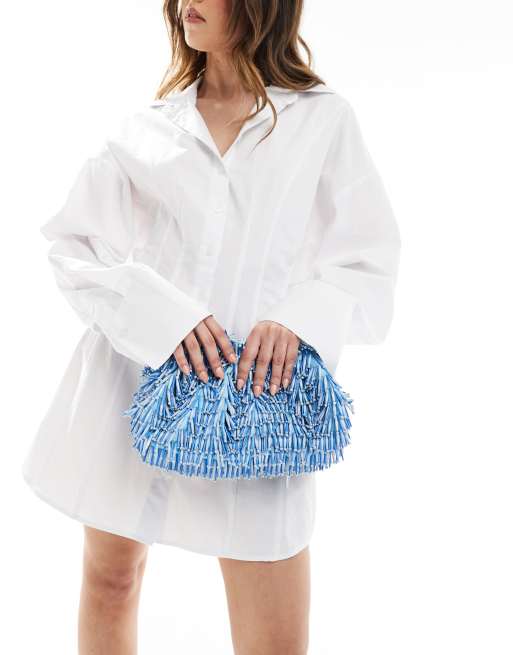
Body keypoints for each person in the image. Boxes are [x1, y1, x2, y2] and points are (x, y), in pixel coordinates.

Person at [21, 1, 402, 653]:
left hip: (257, 401)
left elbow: (368, 259)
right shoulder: (146, 128)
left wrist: (296, 318)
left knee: (272, 635)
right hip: (129, 388)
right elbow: (74, 245)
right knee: (111, 580)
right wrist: (162, 315)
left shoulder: (322, 120)